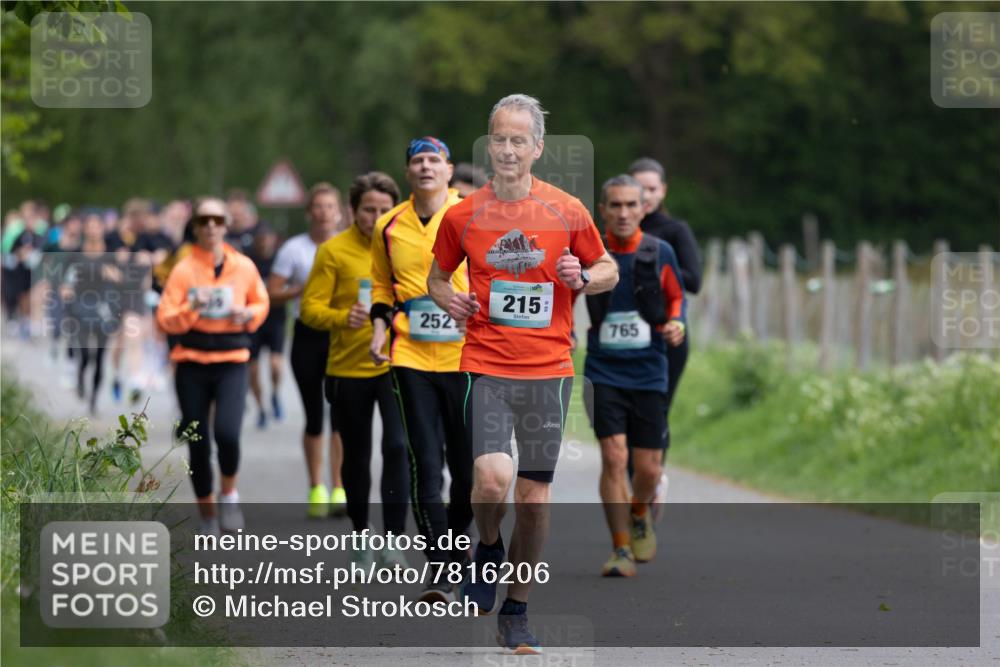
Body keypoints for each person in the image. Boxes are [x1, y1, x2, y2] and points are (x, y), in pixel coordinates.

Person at [429, 94, 618, 654]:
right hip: (486, 364)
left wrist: (581, 274)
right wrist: (450, 301)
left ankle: (516, 609)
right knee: (490, 480)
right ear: (488, 145)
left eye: (518, 140)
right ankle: (486, 546)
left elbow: (607, 269)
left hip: (550, 371)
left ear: (537, 148)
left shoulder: (567, 210)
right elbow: (437, 278)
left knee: (535, 501)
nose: (507, 149)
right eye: (499, 139)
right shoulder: (462, 214)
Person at [368, 137, 473, 602]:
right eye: (417, 160)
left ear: (448, 170)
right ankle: (443, 566)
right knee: (424, 463)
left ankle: (457, 548)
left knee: (469, 472)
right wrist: (377, 330)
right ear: (408, 172)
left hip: (468, 355)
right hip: (409, 355)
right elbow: (380, 286)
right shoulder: (389, 224)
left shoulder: (473, 214)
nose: (426, 166)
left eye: (434, 160)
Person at [301, 172, 410, 566]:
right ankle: (361, 535)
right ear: (353, 211)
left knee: (398, 447)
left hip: (398, 364)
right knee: (357, 454)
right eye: (368, 210)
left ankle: (395, 538)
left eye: (385, 210)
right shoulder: (333, 251)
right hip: (348, 368)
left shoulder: (405, 246)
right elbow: (309, 309)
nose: (377, 217)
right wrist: (341, 317)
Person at [583, 175, 686, 577]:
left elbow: (676, 296)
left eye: (631, 205)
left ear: (644, 208)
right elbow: (565, 294)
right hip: (603, 370)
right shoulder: (592, 253)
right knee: (613, 458)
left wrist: (676, 322)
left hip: (649, 371)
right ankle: (621, 548)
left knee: (648, 469)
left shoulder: (659, 251)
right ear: (603, 211)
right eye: (615, 206)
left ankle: (640, 510)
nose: (624, 213)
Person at [156, 197, 269, 535]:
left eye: (216, 220)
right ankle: (207, 514)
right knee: (199, 442)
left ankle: (229, 495)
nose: (210, 227)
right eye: (203, 221)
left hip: (232, 361)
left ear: (225, 225)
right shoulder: (184, 269)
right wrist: (191, 307)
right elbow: (165, 319)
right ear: (195, 226)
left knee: (228, 435)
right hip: (192, 362)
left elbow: (260, 301)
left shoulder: (244, 266)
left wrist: (248, 314)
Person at [627, 158, 702, 508]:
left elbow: (694, 280)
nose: (644, 197)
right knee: (623, 419)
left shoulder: (674, 232)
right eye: (638, 189)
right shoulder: (616, 229)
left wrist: (651, 269)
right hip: (623, 338)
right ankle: (637, 485)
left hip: (666, 337)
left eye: (652, 190)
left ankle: (651, 484)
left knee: (654, 411)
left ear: (663, 191)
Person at [269, 182, 347, 518]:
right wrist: (303, 288)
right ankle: (316, 485)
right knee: (315, 414)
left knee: (341, 415)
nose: (324, 212)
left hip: (342, 335)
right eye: (318, 206)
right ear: (309, 212)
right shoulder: (294, 249)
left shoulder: (350, 246)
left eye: (330, 206)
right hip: (307, 334)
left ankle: (340, 486)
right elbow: (271, 292)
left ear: (339, 212)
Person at [60, 213, 123, 415]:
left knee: (101, 356)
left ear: (103, 229)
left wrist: (115, 276)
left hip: (105, 307)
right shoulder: (76, 254)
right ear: (85, 229)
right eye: (90, 226)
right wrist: (65, 290)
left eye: (98, 226)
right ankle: (80, 374)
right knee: (86, 353)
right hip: (81, 306)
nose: (94, 229)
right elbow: (65, 281)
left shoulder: (112, 254)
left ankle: (94, 400)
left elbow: (124, 279)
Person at [248, 223, 287, 429]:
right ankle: (261, 408)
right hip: (254, 322)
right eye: (260, 238)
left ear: (273, 239)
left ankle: (275, 393)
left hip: (276, 319)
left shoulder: (280, 260)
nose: (264, 242)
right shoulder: (248, 261)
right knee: (253, 371)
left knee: (275, 364)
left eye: (267, 238)